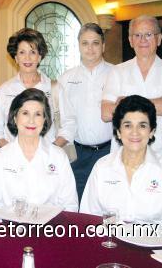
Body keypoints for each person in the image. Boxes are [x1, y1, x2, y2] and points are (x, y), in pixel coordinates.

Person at [80, 95, 162, 233]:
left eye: (142, 125)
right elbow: (88, 219)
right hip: (109, 244)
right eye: (128, 125)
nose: (135, 132)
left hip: (154, 247)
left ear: (152, 131)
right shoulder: (102, 167)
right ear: (118, 132)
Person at [101, 15, 162, 157]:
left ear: (159, 39)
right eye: (137, 35)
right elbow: (106, 113)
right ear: (130, 41)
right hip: (125, 155)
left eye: (148, 34)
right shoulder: (117, 71)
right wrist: (161, 100)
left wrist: (126, 103)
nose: (143, 40)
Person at [0, 89, 78, 212]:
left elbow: (70, 205)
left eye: (38, 114)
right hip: (11, 229)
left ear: (45, 120)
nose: (31, 120)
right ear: (15, 117)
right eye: (25, 113)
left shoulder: (58, 157)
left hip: (51, 229)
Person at [54, 23, 113, 201]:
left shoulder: (116, 73)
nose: (90, 48)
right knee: (78, 203)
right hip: (77, 154)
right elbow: (61, 119)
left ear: (103, 46)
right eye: (85, 43)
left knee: (107, 203)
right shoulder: (66, 78)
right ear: (78, 45)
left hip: (110, 151)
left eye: (95, 43)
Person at [0, 28, 56, 150]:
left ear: (40, 57)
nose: (27, 58)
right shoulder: (5, 90)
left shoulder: (54, 88)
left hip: (47, 159)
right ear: (16, 58)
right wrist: (12, 151)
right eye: (22, 52)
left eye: (32, 52)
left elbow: (67, 125)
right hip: (11, 160)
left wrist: (51, 151)